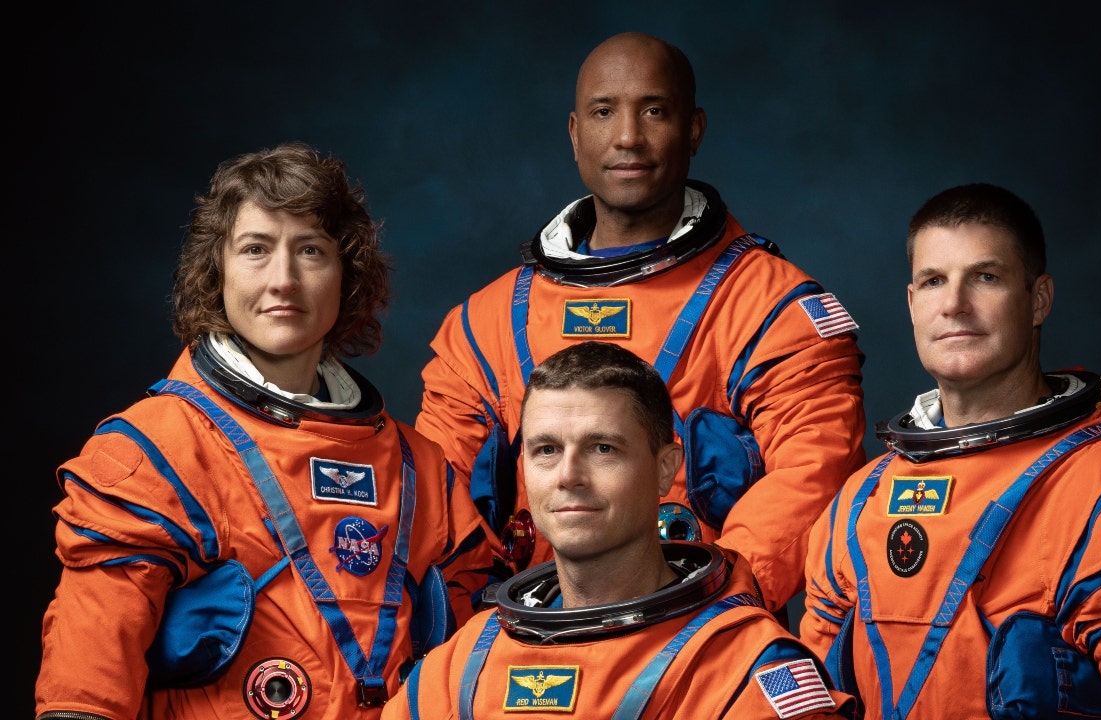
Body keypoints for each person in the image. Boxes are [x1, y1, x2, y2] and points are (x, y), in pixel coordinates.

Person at [35, 141, 498, 720]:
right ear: (217, 272)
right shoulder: (154, 453)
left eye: (311, 250)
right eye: (255, 249)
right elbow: (85, 693)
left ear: (347, 276)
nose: (284, 280)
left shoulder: (420, 469)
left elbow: (474, 675)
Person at [416, 31, 866, 616]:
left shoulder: (769, 306)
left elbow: (815, 471)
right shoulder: (487, 323)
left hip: (697, 637)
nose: (627, 136)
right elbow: (437, 501)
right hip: (527, 639)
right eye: (604, 112)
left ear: (693, 130)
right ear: (576, 133)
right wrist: (484, 633)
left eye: (654, 111)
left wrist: (704, 609)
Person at [801, 183, 1101, 718]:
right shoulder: (858, 504)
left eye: (985, 277)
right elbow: (814, 700)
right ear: (913, 304)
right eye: (934, 281)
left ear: (1038, 299)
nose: (954, 305)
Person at [386, 341, 859, 719]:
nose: (569, 476)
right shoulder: (461, 668)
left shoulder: (744, 670)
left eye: (603, 449)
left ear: (664, 468)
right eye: (547, 450)